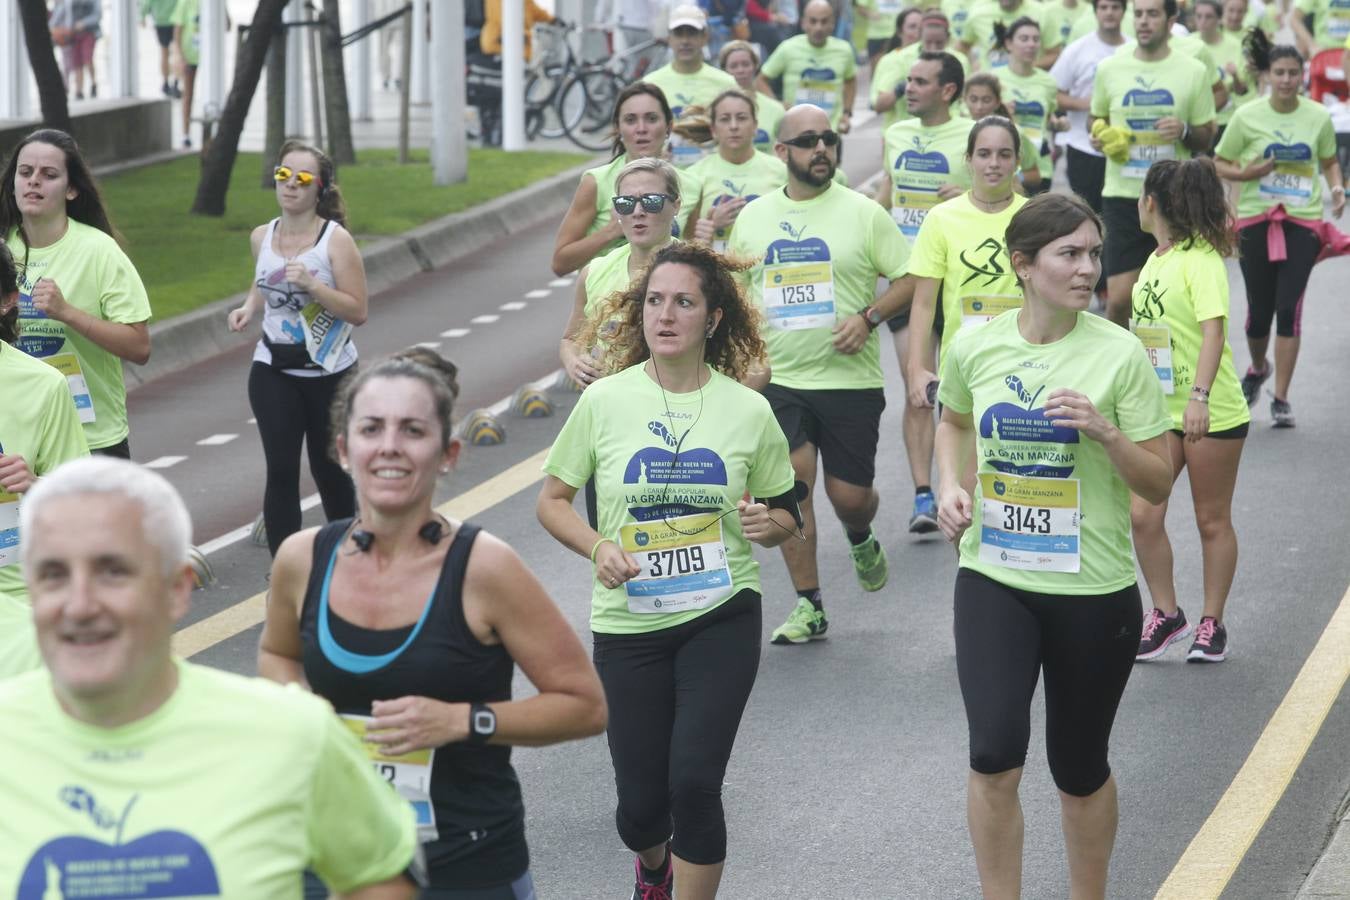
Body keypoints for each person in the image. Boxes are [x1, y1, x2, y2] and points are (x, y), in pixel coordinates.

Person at [259, 351, 606, 898]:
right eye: (371, 428)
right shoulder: (303, 559)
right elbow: (278, 655)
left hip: (465, 860)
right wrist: (304, 711)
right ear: (344, 450)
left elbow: (584, 705)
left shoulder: (485, 568)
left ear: (447, 454)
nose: (390, 445)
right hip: (335, 854)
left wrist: (463, 721)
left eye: (413, 430)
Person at [1, 457, 421, 898]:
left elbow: (379, 879)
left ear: (178, 588)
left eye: (114, 572)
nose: (80, 605)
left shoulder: (292, 732)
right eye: (53, 575)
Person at [537, 242, 799, 900]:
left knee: (695, 783)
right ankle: (654, 866)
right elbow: (552, 502)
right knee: (639, 808)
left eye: (684, 301)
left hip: (721, 611)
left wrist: (772, 527)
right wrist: (599, 548)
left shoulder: (748, 409)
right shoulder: (605, 402)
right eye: (655, 300)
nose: (666, 313)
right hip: (631, 621)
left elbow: (785, 513)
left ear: (713, 320)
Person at [934, 192, 1173, 900]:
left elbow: (1157, 483)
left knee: (1078, 766)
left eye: (1094, 253)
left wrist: (1106, 433)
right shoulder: (975, 344)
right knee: (994, 754)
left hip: (1093, 592)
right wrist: (951, 483)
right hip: (994, 578)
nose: (1088, 268)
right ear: (1023, 265)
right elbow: (952, 421)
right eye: (1069, 254)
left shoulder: (1119, 353)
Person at [726, 105, 912, 644]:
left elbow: (909, 278)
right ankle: (810, 604)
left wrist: (868, 317)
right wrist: (741, 363)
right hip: (779, 380)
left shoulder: (864, 213)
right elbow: (737, 296)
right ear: (782, 152)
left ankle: (859, 533)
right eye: (808, 141)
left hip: (850, 381)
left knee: (850, 496)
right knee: (794, 482)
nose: (822, 149)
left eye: (828, 139)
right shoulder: (753, 218)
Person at [1128, 158, 1249, 664]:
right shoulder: (1157, 258)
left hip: (1209, 412)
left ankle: (1211, 622)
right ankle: (1167, 613)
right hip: (1160, 413)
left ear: (1152, 203)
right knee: (1142, 513)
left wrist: (1198, 398)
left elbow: (1213, 332)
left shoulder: (1201, 260)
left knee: (1210, 519)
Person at [227, 140, 368, 556]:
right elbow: (262, 277)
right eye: (283, 175)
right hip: (273, 368)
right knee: (282, 471)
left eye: (302, 179)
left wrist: (313, 286)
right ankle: (285, 573)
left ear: (319, 188)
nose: (290, 185)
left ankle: (348, 563)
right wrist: (249, 307)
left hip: (330, 373)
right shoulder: (261, 236)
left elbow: (358, 310)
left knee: (330, 471)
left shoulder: (335, 241)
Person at [1216, 31, 1346, 427]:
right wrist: (1249, 172)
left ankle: (1282, 399)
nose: (1287, 79)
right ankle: (1258, 368)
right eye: (1280, 72)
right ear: (1268, 75)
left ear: (1303, 76)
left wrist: (1337, 187)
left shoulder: (1318, 116)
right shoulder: (1246, 116)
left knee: (1289, 309)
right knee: (1259, 313)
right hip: (1256, 219)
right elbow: (1220, 162)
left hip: (1302, 221)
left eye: (1293, 72)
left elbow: (1327, 161)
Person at [0, 128, 152, 459]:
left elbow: (139, 347)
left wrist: (68, 313)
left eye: (48, 174)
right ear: (12, 185)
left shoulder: (99, 251)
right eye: (25, 173)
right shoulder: (2, 250)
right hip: (16, 439)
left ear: (71, 189)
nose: (34, 181)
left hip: (91, 439)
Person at [877, 53, 972, 533]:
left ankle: (967, 483)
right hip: (906, 278)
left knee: (964, 397)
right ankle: (922, 494)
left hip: (960, 279)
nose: (907, 88)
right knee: (919, 391)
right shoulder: (894, 134)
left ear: (948, 90)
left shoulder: (974, 135)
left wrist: (969, 198)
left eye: (919, 82)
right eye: (907, 80)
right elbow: (887, 196)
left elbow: (1006, 196)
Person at [1089, 0, 1217, 326]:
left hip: (1176, 196)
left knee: (1173, 299)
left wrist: (1184, 130)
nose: (1144, 21)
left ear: (1171, 19)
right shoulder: (1110, 68)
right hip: (1124, 195)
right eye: (1139, 14)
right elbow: (1097, 118)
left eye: (1153, 14)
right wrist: (1101, 136)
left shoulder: (1193, 70)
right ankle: (1122, 368)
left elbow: (1206, 135)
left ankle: (1168, 366)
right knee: (1119, 300)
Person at [907, 117, 1029, 434]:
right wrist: (918, 368)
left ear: (1018, 161)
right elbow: (922, 304)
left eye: (1004, 155)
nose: (994, 163)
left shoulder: (1035, 217)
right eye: (984, 153)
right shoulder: (941, 219)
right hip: (960, 371)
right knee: (964, 480)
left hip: (1026, 368)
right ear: (968, 159)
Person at [0, 241, 89, 677]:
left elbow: (83, 506)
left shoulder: (44, 386)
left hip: (18, 603)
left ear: (7, 302)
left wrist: (34, 483)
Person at [551, 83, 701, 276]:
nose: (641, 128)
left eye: (651, 118)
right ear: (618, 129)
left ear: (669, 127)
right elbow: (560, 264)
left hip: (663, 299)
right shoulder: (596, 182)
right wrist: (610, 232)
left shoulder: (692, 185)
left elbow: (694, 259)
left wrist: (708, 235)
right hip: (606, 300)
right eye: (630, 120)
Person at [563, 158, 686, 391]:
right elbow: (570, 339)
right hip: (609, 414)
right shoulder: (594, 272)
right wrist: (574, 361)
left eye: (651, 202)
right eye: (626, 203)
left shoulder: (700, 272)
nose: (638, 212)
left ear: (676, 205)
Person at [1052, 0, 1128, 217]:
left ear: (1124, 11)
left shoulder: (1132, 49)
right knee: (1088, 215)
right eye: (1104, 7)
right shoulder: (1077, 50)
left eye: (1115, 7)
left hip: (1124, 149)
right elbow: (1053, 93)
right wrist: (1085, 104)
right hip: (1083, 147)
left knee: (1119, 216)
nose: (1109, 12)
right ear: (1095, 12)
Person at [689, 91, 790, 253]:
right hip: (716, 273)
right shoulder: (694, 175)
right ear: (713, 129)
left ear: (755, 126)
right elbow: (685, 242)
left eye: (742, 118)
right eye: (725, 119)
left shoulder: (782, 171)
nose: (734, 126)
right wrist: (711, 228)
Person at [643, 5, 739, 168]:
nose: (685, 41)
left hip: (712, 173)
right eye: (679, 34)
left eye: (692, 33)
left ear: (705, 37)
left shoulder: (727, 83)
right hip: (665, 173)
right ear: (669, 38)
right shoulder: (650, 83)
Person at [757, 1, 859, 137]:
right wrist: (778, 106)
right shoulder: (788, 48)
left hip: (830, 132)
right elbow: (760, 81)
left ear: (832, 24)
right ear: (804, 23)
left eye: (824, 22)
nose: (818, 27)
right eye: (813, 21)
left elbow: (850, 80)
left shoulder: (844, 50)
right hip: (796, 133)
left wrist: (847, 113)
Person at [993, 17, 1065, 191]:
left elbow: (1049, 117)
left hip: (1041, 167)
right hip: (1004, 165)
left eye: (1036, 39)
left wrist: (1059, 123)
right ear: (1009, 43)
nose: (1031, 44)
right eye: (1024, 39)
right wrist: (1000, 112)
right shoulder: (993, 79)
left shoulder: (1048, 81)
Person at [872, 9, 971, 133]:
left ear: (948, 38)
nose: (933, 49)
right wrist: (901, 88)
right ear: (920, 36)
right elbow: (879, 106)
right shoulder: (899, 59)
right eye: (928, 42)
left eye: (939, 43)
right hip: (906, 134)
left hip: (948, 132)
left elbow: (966, 101)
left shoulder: (960, 60)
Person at [1180, 0, 1250, 145]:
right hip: (1196, 122)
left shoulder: (1234, 45)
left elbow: (1241, 90)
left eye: (1208, 16)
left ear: (1219, 19)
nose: (1203, 21)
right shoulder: (1187, 45)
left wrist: (1235, 76)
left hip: (1225, 119)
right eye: (1198, 16)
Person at [962, 73, 1047, 189]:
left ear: (997, 102)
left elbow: (1034, 175)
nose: (979, 107)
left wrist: (1011, 177)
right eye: (973, 99)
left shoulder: (1014, 132)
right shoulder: (957, 130)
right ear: (964, 100)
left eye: (986, 100)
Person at [719, 40, 787, 152]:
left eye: (746, 64)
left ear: (755, 66)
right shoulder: (715, 110)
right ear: (724, 70)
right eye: (733, 66)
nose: (740, 70)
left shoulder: (776, 110)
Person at [956, 0, 1060, 71]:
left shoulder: (1041, 13)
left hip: (1026, 84)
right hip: (989, 86)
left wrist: (1027, 67)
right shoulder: (978, 12)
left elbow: (1054, 53)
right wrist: (970, 70)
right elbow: (962, 46)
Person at [50, 0, 101, 100]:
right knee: (77, 62)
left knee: (87, 59)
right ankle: (79, 90)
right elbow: (61, 12)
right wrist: (51, 27)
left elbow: (97, 14)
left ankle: (93, 83)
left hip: (89, 32)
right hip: (73, 34)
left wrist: (84, 23)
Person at [479, 0, 555, 60]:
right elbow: (502, 16)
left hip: (519, 38)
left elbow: (531, 8)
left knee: (532, 64)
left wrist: (551, 19)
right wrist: (521, 34)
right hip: (498, 38)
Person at [141, 0, 181, 97]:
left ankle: (166, 83)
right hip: (176, 20)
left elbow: (147, 3)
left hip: (161, 21)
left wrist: (142, 16)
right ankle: (175, 83)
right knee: (176, 52)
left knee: (164, 53)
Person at [173, 0, 199, 148]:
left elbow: (226, 25)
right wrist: (180, 56)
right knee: (188, 95)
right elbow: (177, 32)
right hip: (190, 56)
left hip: (206, 56)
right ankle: (186, 133)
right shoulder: (185, 3)